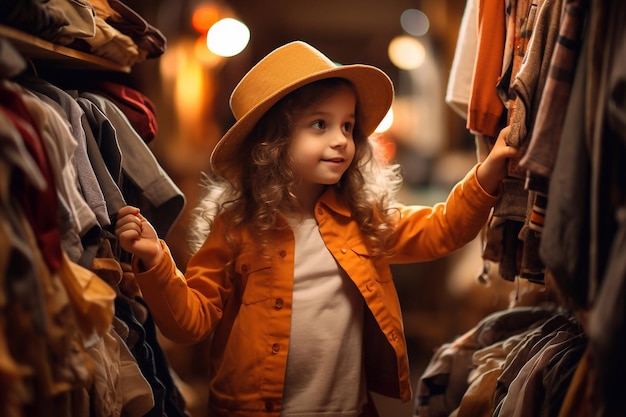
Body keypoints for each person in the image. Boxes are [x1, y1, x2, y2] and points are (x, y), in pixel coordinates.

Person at [115, 40, 517, 417]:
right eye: (320, 124)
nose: (342, 140)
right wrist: (156, 263)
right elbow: (191, 322)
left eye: (347, 126)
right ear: (272, 141)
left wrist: (486, 175)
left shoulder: (362, 219)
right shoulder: (236, 228)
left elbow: (442, 228)